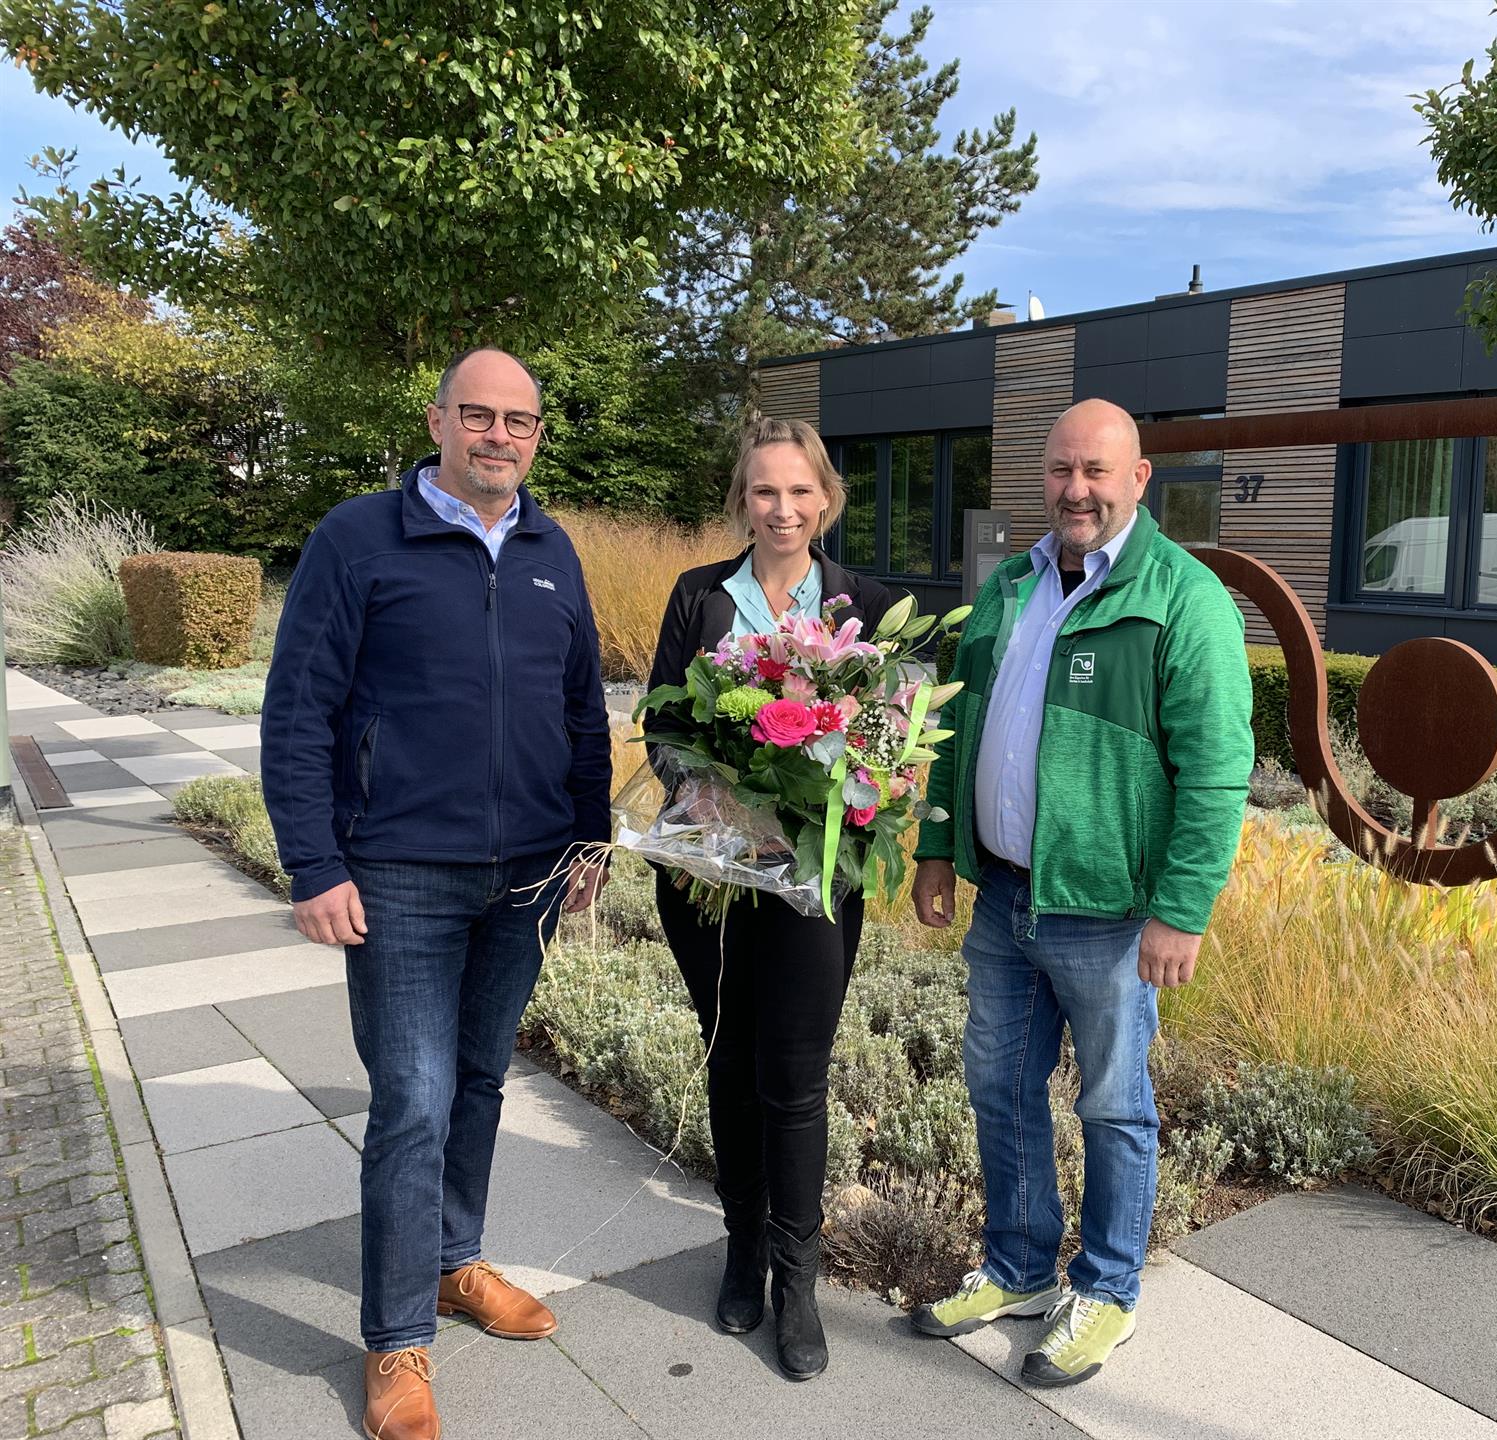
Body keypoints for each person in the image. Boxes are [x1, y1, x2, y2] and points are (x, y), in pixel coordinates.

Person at [261, 346, 611, 1440]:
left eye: (520, 421)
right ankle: (396, 1338)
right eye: (478, 415)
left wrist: (591, 837)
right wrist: (315, 864)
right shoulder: (358, 539)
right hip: (402, 873)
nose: (499, 435)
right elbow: (298, 708)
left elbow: (581, 708)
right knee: (410, 1102)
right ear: (438, 419)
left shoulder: (554, 549)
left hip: (527, 876)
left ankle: (458, 1261)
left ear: (537, 435)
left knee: (478, 1082)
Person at [907, 398, 1253, 1387]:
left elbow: (1220, 770)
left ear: (1140, 480)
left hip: (1106, 915)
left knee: (1113, 1105)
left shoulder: (1182, 600)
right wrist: (939, 845)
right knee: (1000, 1091)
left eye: (1098, 472)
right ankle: (1018, 1269)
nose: (1077, 490)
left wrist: (1182, 908)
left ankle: (1104, 1291)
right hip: (1004, 899)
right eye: (1062, 470)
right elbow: (953, 727)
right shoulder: (1012, 587)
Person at [645, 416, 895, 1381]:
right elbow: (660, 716)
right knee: (727, 1057)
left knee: (792, 1077)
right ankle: (741, 1245)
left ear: (825, 499)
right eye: (763, 491)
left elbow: (884, 753)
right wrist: (701, 784)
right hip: (707, 883)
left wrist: (855, 779)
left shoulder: (866, 606)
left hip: (810, 889)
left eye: (799, 492)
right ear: (741, 500)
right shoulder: (700, 598)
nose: (782, 509)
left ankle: (798, 1279)